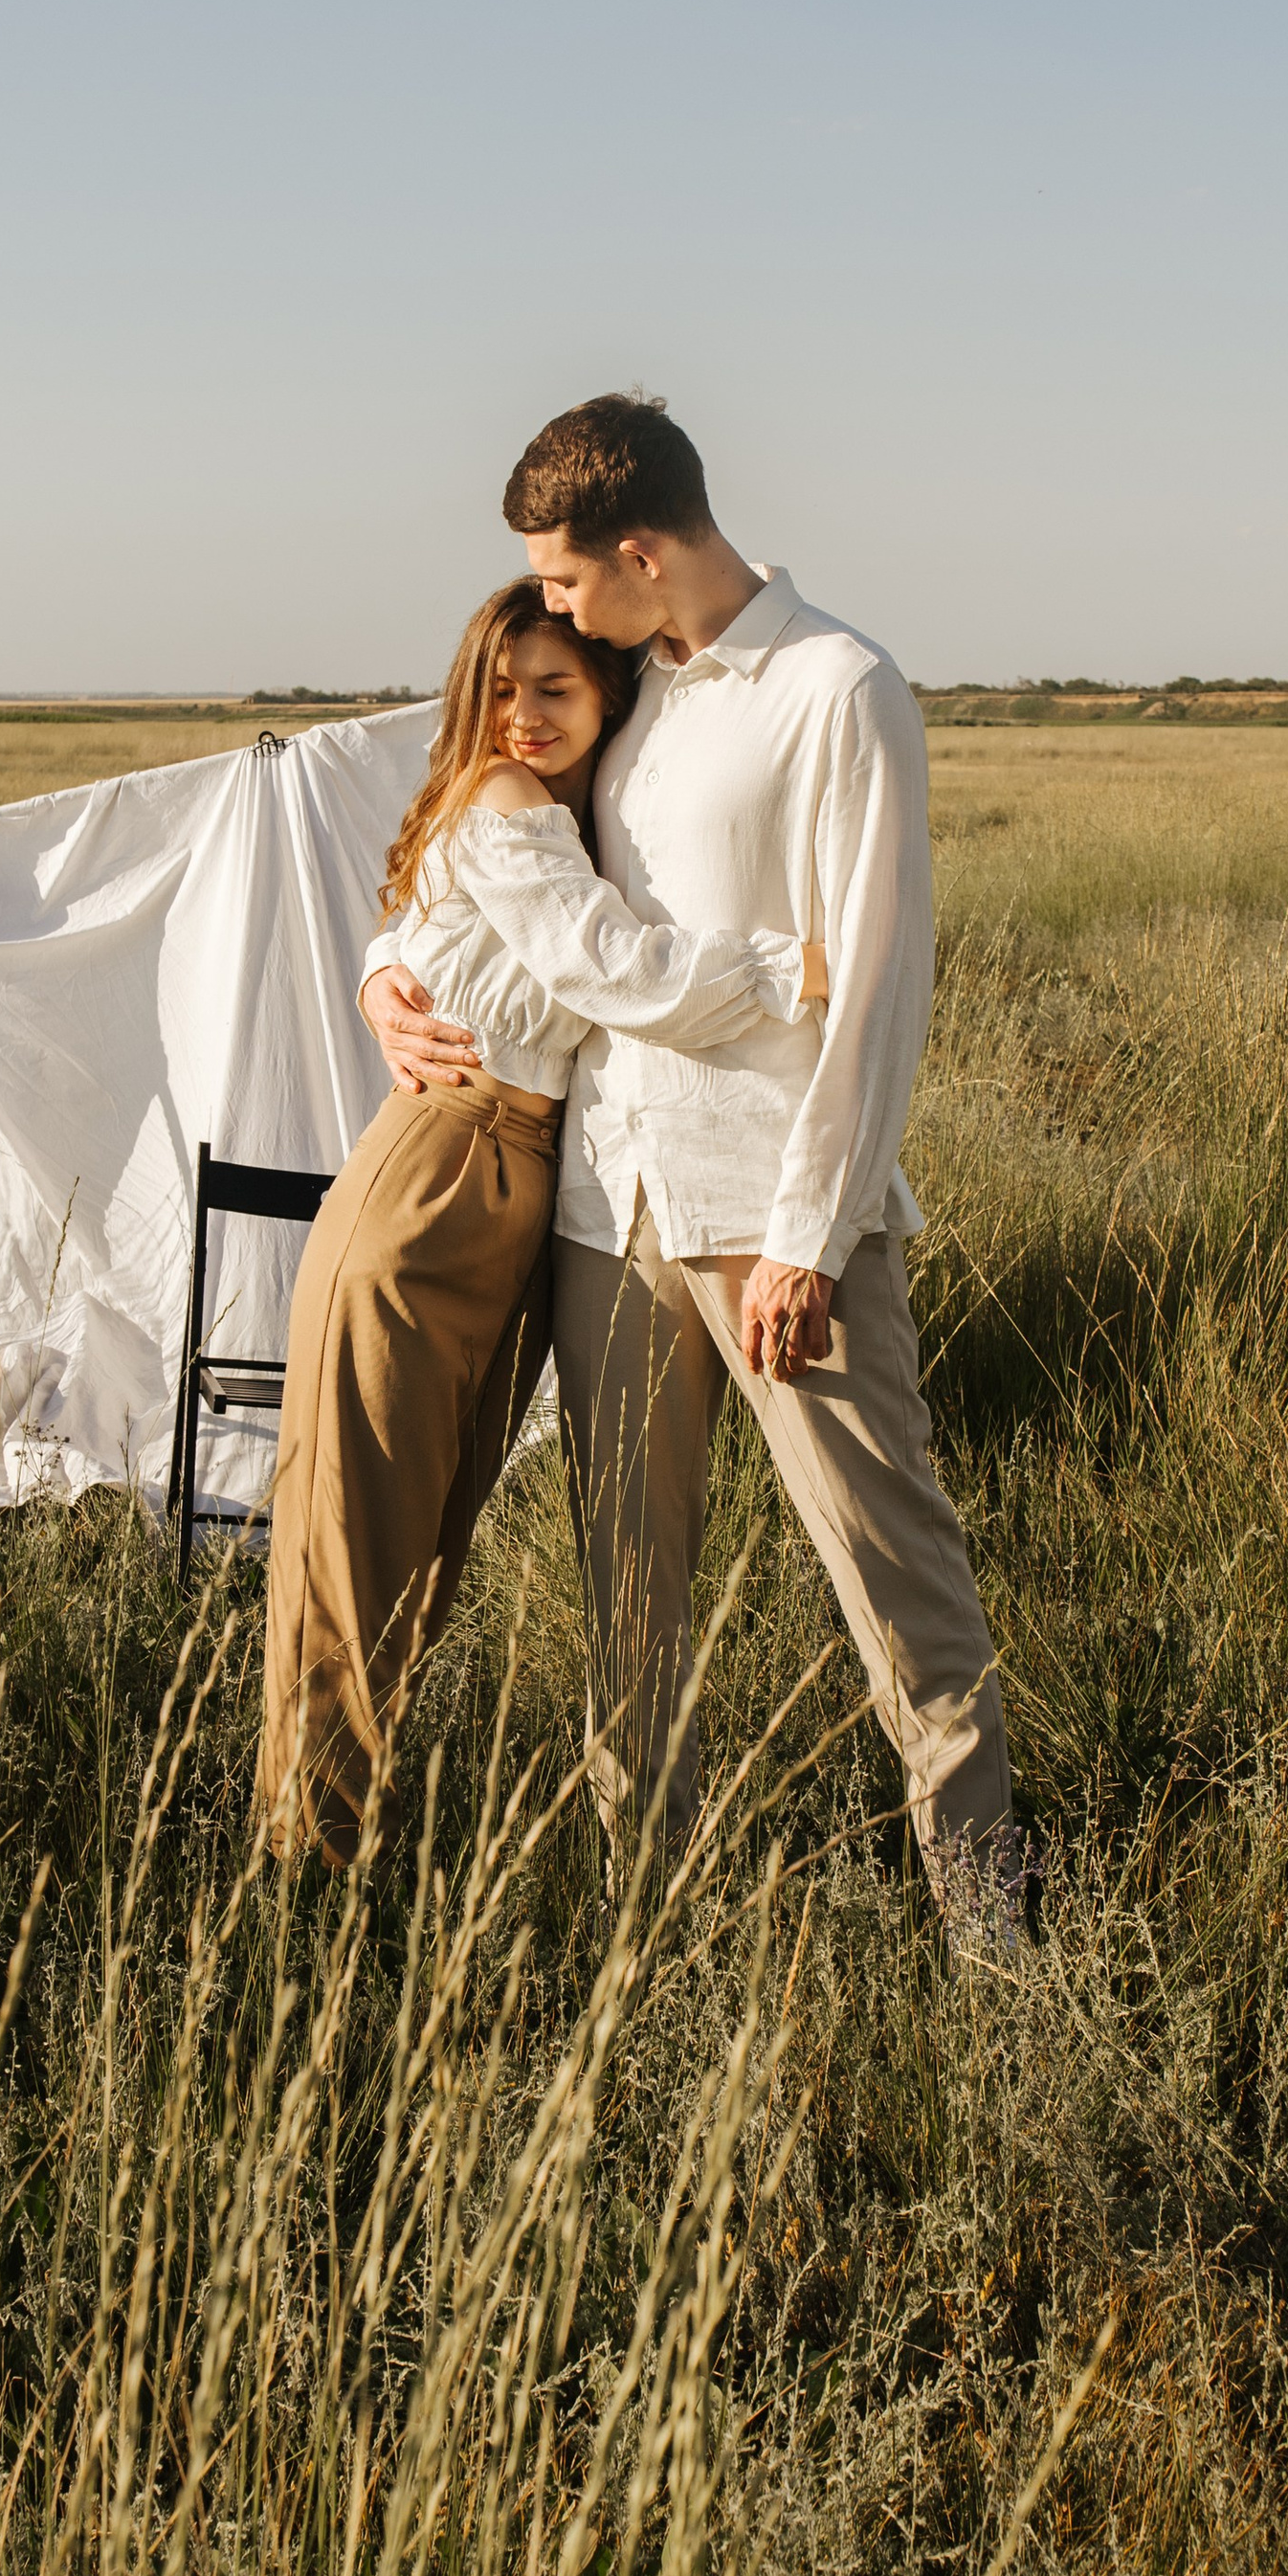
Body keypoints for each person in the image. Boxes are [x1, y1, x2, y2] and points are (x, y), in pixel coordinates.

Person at [362, 393, 1030, 1961]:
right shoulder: (623, 694)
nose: (555, 606)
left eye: (571, 577)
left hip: (776, 1219)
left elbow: (875, 984)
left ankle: (997, 1949)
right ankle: (638, 1932)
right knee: (628, 1612)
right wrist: (389, 971)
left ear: (643, 550)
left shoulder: (838, 689)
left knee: (899, 1590)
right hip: (611, 1216)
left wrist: (808, 1235)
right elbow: (501, 842)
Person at [255, 577, 824, 1866]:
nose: (522, 715)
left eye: (554, 687)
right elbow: (610, 971)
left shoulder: (573, 815)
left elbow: (437, 926)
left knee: (423, 1543)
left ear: (607, 691)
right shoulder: (512, 803)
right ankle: (305, 1864)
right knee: (357, 1547)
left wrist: (382, 967)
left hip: (507, 1191)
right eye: (500, 691)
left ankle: (341, 1841)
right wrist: (803, 966)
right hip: (437, 1181)